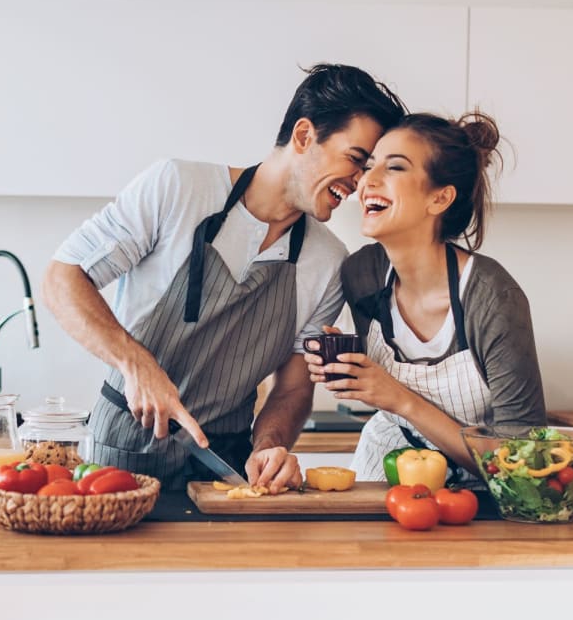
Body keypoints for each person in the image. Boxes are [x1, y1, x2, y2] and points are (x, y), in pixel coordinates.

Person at [44, 64, 407, 491]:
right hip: (123, 453)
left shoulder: (327, 261)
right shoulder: (178, 188)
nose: (362, 183)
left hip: (225, 466)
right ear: (305, 135)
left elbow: (292, 388)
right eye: (356, 160)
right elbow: (63, 277)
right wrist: (135, 363)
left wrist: (269, 447)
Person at [305, 111, 545, 481]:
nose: (368, 180)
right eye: (369, 166)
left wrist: (397, 397)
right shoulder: (362, 273)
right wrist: (348, 366)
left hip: (481, 491)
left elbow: (524, 464)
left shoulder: (492, 297)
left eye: (395, 168)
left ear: (440, 198)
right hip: (385, 468)